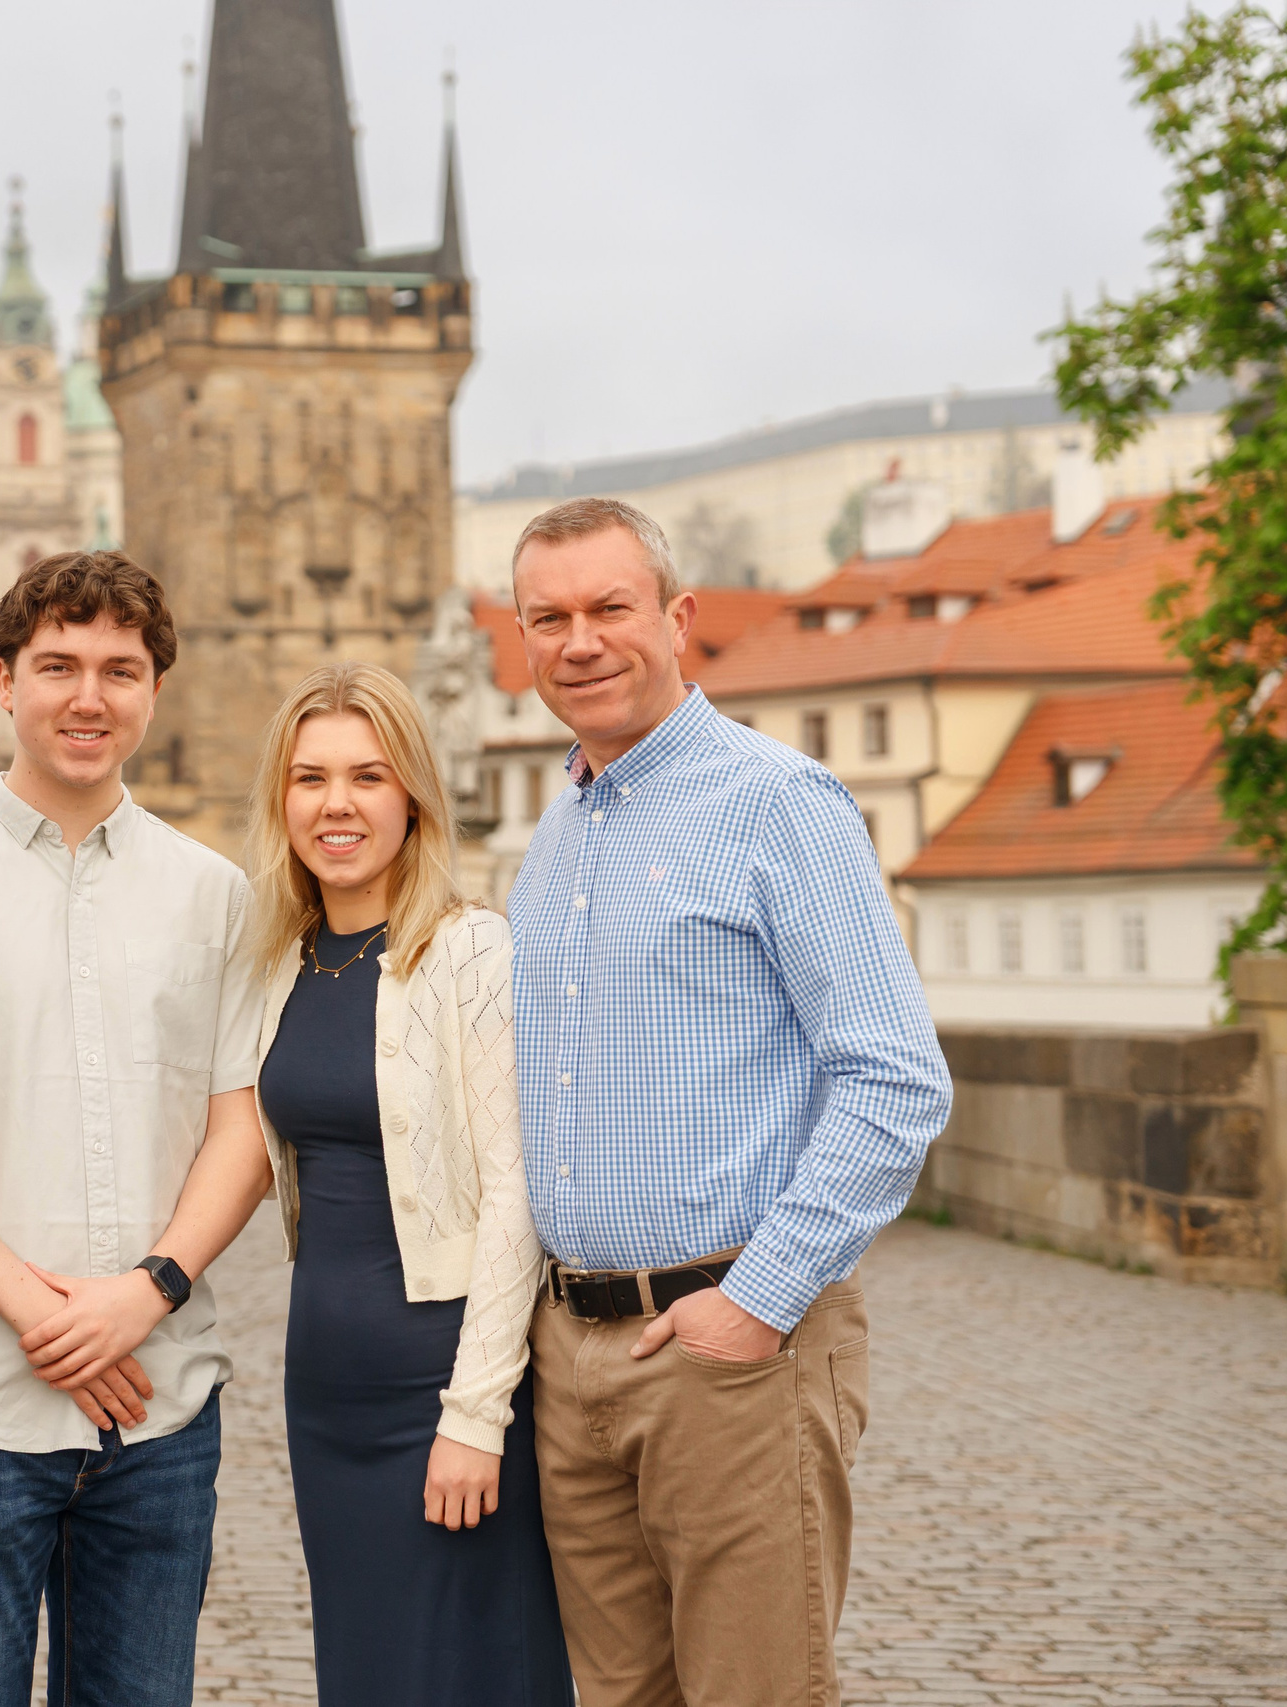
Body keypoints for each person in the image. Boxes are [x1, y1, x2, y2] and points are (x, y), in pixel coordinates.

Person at [507, 497, 953, 1707]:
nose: (581, 641)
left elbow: (896, 1081)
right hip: (576, 1353)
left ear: (677, 618)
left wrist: (753, 1305)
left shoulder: (776, 802)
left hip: (729, 1352)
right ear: (522, 640)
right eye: (549, 618)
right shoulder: (551, 841)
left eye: (610, 608)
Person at [0, 550, 275, 1707]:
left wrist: (145, 1292)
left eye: (119, 671)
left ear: (153, 688)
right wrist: (41, 1311)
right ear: (2, 678)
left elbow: (240, 1123)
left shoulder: (214, 893)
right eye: (58, 667)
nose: (89, 697)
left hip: (161, 1401)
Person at [244, 662, 573, 1707]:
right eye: (310, 779)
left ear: (413, 798)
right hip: (322, 1390)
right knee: (369, 1671)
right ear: (281, 800)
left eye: (367, 776)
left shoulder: (467, 950)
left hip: (436, 1382)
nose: (335, 804)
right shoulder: (277, 963)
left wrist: (476, 1414)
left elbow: (517, 1191)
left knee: (471, 1670)